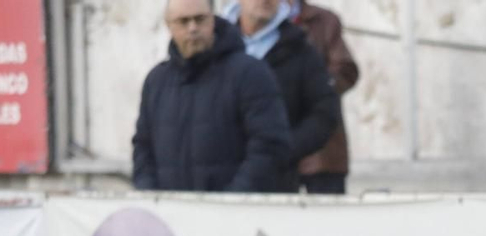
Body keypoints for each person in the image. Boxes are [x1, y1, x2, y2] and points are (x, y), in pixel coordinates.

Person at [132, 0, 290, 193]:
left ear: (213, 20)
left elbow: (270, 145)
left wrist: (231, 201)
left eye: (200, 19)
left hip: (238, 215)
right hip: (169, 216)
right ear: (169, 26)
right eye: (183, 21)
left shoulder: (250, 73)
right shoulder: (156, 81)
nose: (193, 28)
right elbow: (143, 147)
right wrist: (151, 197)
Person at [222, 0, 338, 193]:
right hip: (217, 179)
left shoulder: (301, 50)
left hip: (275, 184)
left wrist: (282, 149)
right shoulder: (215, 46)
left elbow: (324, 113)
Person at [289, 0, 359, 194]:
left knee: (327, 219)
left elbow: (345, 70)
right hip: (273, 155)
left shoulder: (325, 21)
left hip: (322, 153)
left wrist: (312, 88)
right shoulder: (250, 22)